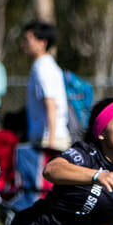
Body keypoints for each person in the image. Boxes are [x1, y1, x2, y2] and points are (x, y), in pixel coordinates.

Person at [21, 21, 71, 151]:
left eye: (28, 40)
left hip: (49, 140)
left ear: (42, 42)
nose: (24, 44)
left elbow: (51, 105)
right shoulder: (42, 65)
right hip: (45, 139)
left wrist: (51, 144)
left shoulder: (43, 67)